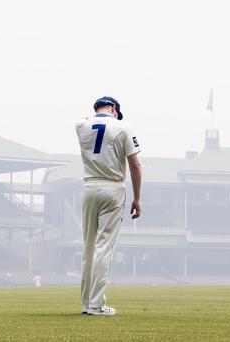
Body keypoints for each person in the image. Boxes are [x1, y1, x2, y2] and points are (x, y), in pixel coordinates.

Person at [75, 96, 142, 316]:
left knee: (88, 248)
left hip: (89, 187)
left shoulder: (81, 126)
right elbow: (135, 165)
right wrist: (137, 198)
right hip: (112, 187)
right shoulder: (122, 127)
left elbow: (84, 121)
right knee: (104, 247)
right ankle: (96, 304)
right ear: (114, 108)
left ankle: (86, 303)